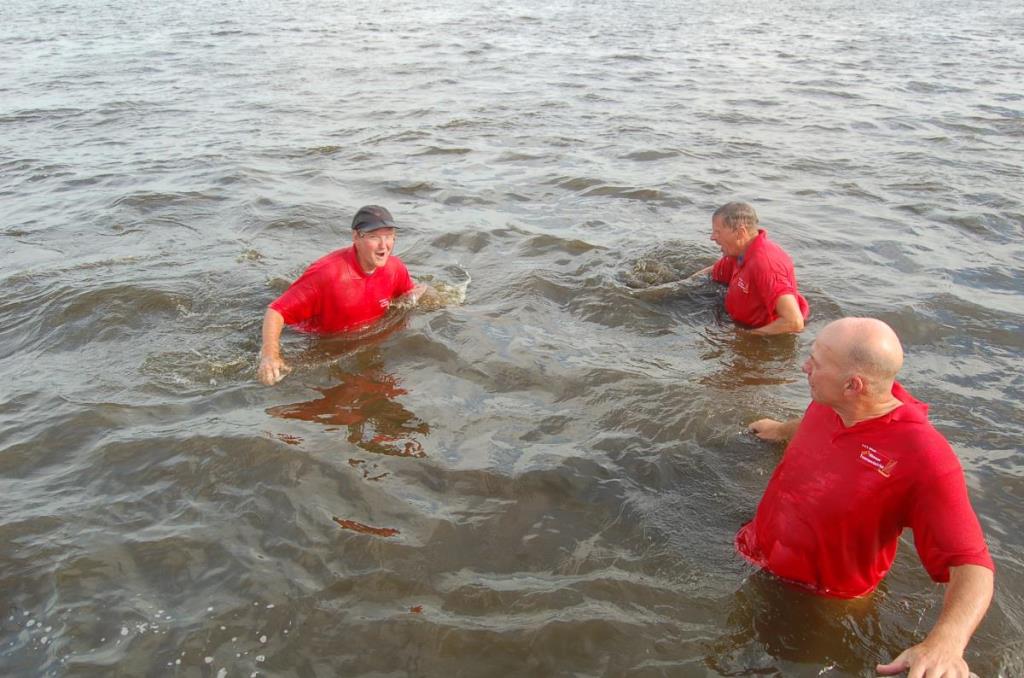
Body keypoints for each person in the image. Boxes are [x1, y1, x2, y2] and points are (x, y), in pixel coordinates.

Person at [742, 317, 994, 676]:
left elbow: (972, 564)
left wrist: (946, 643)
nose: (805, 367)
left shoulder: (925, 457)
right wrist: (782, 430)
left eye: (816, 362)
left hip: (819, 603)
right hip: (755, 553)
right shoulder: (831, 400)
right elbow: (818, 422)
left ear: (853, 385)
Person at [257, 205, 432, 385]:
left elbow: (409, 297)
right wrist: (270, 355)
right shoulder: (327, 274)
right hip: (316, 340)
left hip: (365, 342)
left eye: (389, 236)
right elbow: (276, 311)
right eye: (374, 237)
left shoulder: (395, 268)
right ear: (356, 237)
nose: (383, 245)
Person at [696, 202, 809, 335]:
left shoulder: (766, 265)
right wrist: (682, 284)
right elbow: (713, 271)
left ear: (740, 233)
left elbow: (794, 322)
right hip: (734, 318)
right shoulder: (739, 253)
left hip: (764, 334)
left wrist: (744, 338)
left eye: (717, 232)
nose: (712, 237)